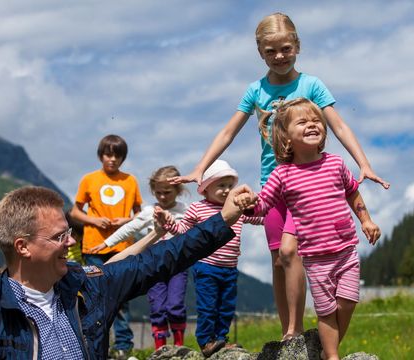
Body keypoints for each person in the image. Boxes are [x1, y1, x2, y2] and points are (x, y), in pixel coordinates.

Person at [169, 12, 388, 340]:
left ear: (297, 46)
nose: (280, 56)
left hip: (307, 185)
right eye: (271, 51)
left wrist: (364, 163)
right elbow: (229, 131)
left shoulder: (311, 85)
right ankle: (292, 330)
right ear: (260, 53)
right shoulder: (256, 90)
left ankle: (304, 330)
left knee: (292, 252)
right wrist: (201, 167)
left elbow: (338, 125)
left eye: (286, 48)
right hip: (275, 183)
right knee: (278, 259)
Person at [0, 185, 250, 359]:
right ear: (23, 247)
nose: (71, 242)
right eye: (59, 236)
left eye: (68, 232)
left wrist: (222, 220)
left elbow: (163, 258)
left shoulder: (88, 287)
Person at [234, 98, 381, 360]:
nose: (312, 124)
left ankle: (326, 352)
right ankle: (332, 355)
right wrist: (247, 204)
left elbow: (353, 193)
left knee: (347, 303)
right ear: (286, 138)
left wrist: (366, 220)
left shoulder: (335, 163)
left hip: (346, 250)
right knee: (326, 311)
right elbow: (263, 206)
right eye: (302, 122)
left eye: (316, 121)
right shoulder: (283, 174)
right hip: (316, 259)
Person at [163, 160, 262, 357]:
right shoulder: (197, 209)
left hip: (230, 268)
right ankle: (206, 340)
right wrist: (168, 224)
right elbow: (182, 231)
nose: (226, 190)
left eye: (229, 186)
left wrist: (268, 209)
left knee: (226, 307)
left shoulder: (236, 208)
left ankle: (221, 339)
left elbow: (260, 218)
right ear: (206, 189)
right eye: (220, 186)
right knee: (208, 306)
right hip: (206, 266)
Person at [89, 165, 190, 349]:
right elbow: (130, 228)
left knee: (175, 305)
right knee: (157, 307)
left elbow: (197, 233)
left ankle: (178, 346)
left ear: (178, 190)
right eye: (158, 192)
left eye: (167, 192)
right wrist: (107, 243)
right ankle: (161, 349)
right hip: (153, 266)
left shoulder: (186, 210)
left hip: (178, 266)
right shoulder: (150, 211)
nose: (162, 197)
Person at [70, 134, 142, 356]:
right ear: (101, 155)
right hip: (93, 246)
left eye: (117, 155)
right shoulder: (89, 179)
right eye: (108, 154)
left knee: (122, 296)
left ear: (123, 158)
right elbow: (74, 212)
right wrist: (93, 220)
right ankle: (93, 343)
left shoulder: (130, 181)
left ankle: (123, 345)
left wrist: (126, 221)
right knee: (93, 295)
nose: (112, 159)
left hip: (123, 246)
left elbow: (140, 214)